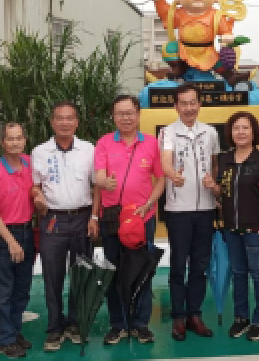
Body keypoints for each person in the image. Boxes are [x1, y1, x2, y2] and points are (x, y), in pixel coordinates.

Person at [94, 94, 166, 345]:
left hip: (142, 217)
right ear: (113, 117)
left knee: (142, 271)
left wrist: (149, 204)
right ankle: (118, 324)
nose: (125, 118)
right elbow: (98, 176)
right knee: (113, 271)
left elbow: (161, 179)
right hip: (113, 218)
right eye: (120, 113)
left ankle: (141, 325)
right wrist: (104, 182)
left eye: (130, 113)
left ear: (138, 115)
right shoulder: (104, 143)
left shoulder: (151, 143)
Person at [30, 101, 95, 352]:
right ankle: (55, 328)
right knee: (52, 276)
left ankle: (75, 324)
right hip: (53, 220)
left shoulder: (89, 150)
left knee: (81, 274)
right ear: (52, 122)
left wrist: (95, 217)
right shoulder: (40, 152)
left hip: (82, 218)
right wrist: (37, 197)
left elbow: (98, 186)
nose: (65, 123)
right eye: (60, 118)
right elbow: (35, 185)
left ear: (77, 122)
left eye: (70, 118)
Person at [206, 111, 259, 341]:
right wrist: (212, 187)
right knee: (238, 274)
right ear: (230, 133)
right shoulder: (224, 159)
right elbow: (221, 191)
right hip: (231, 229)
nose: (241, 132)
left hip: (256, 228)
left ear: (253, 132)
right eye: (236, 128)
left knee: (258, 274)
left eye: (245, 128)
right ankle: (241, 318)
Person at [159, 84, 220, 341]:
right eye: (183, 103)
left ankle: (195, 315)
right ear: (176, 106)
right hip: (178, 210)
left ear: (199, 104)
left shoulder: (211, 132)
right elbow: (165, 161)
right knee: (178, 265)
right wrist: (173, 174)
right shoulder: (168, 132)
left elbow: (215, 164)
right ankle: (178, 317)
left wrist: (213, 182)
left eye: (192, 102)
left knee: (200, 265)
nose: (188, 108)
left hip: (206, 208)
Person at [147, 0, 249, 85]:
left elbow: (225, 31)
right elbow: (166, 15)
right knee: (169, 48)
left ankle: (231, 76)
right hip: (183, 50)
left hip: (207, 51)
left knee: (220, 62)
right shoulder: (179, 13)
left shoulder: (216, 15)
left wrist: (227, 37)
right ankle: (179, 68)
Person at [0, 123, 35, 358]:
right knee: (3, 290)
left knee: (22, 288)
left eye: (19, 138)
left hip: (27, 232)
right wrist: (11, 241)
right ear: (2, 142)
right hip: (5, 235)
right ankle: (5, 339)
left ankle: (14, 331)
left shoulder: (29, 163)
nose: (15, 143)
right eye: (10, 139)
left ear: (25, 140)